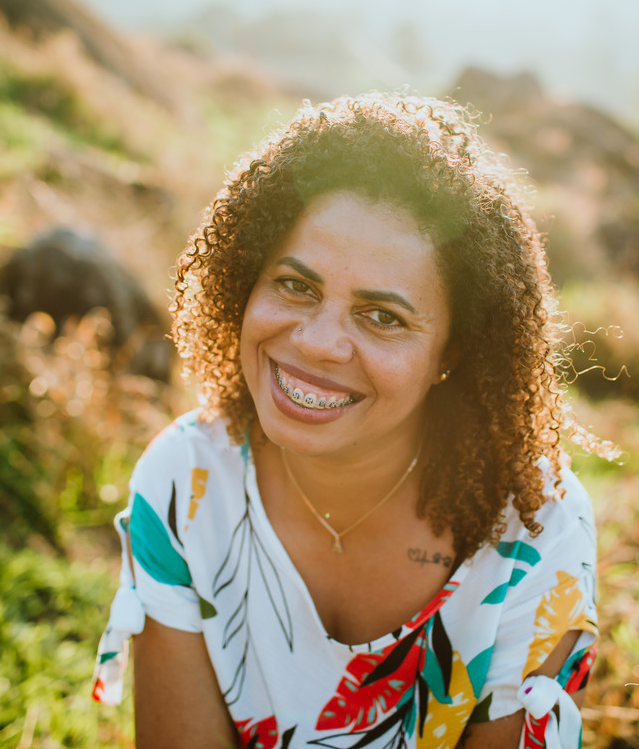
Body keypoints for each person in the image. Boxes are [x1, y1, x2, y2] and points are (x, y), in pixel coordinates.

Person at [93, 93, 606, 748]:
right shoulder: (186, 483)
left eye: (383, 317)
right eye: (296, 285)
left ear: (452, 353)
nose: (316, 342)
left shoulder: (534, 530)